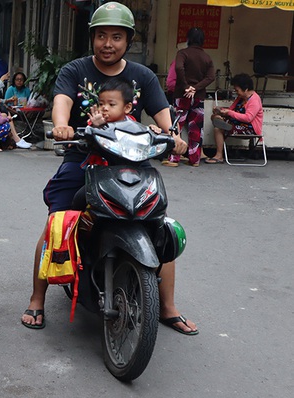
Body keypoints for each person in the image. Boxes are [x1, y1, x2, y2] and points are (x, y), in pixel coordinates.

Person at [21, 2, 198, 336]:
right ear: (92, 38)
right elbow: (62, 103)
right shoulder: (74, 70)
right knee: (57, 223)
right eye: (101, 35)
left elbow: (162, 117)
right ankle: (37, 298)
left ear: (127, 41)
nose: (108, 43)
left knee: (160, 227)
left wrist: (174, 137)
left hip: (133, 163)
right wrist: (62, 126)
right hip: (82, 159)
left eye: (116, 37)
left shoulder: (142, 76)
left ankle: (168, 307)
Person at [162, 27, 215, 167]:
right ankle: (194, 159)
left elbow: (179, 68)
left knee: (176, 126)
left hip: (181, 95)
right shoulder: (206, 57)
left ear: (188, 39)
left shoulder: (182, 53)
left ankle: (174, 158)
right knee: (196, 127)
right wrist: (196, 88)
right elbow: (211, 77)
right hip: (199, 97)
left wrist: (186, 86)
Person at [205, 73, 264, 164]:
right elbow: (231, 109)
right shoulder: (241, 97)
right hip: (236, 123)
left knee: (218, 129)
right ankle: (222, 122)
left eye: (237, 90)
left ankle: (219, 155)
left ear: (246, 89)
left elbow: (248, 118)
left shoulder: (254, 100)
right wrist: (221, 111)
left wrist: (229, 113)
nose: (236, 92)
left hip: (248, 128)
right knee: (215, 116)